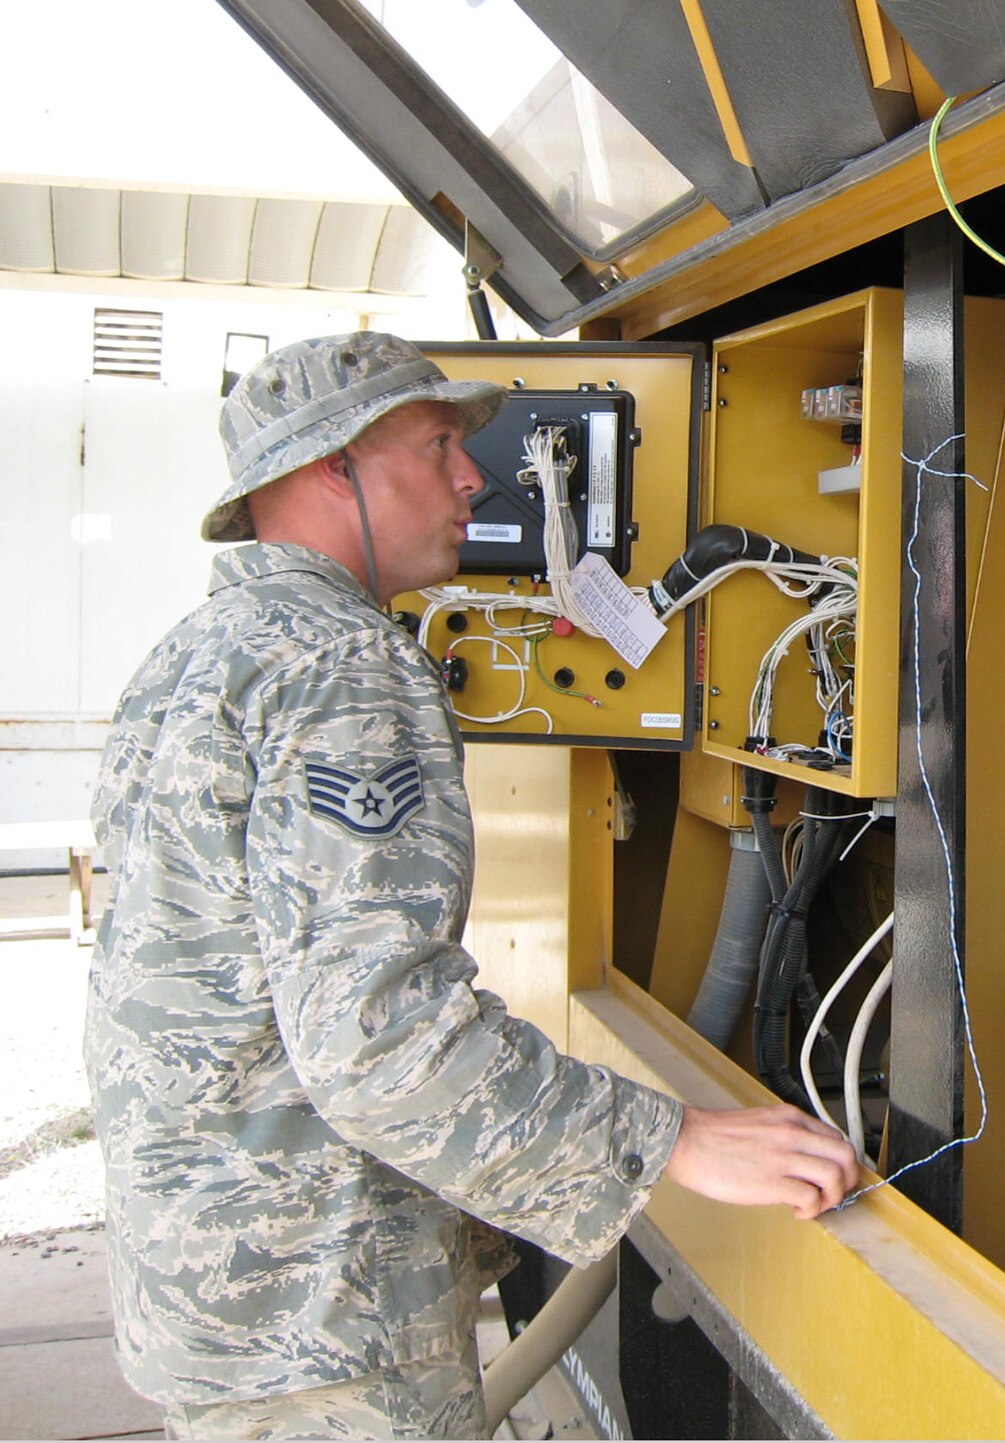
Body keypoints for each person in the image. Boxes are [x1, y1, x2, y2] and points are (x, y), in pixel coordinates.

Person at [84, 332, 860, 1440]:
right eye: (440, 444)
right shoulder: (337, 665)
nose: (475, 477)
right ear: (330, 466)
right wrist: (670, 1141)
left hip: (217, 1286)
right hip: (323, 1306)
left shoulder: (198, 652)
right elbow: (377, 1038)